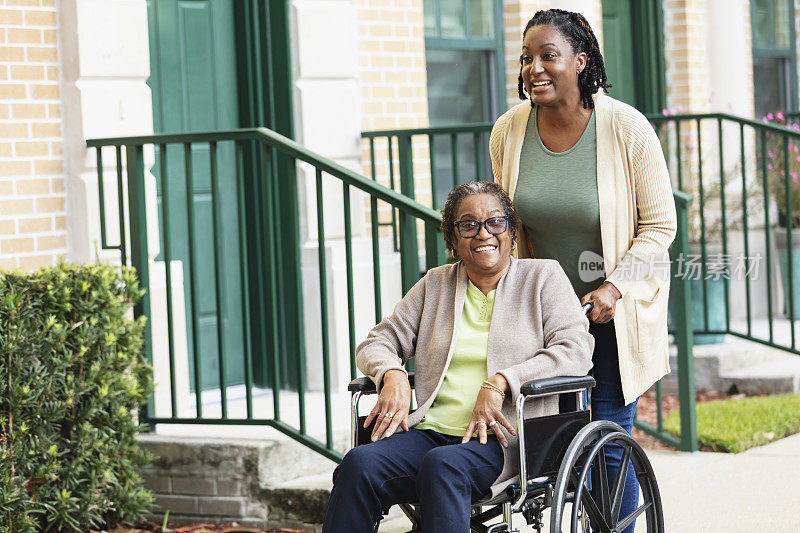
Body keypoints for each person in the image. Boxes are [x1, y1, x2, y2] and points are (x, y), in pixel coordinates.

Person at [489, 8, 677, 533]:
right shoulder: (509, 131)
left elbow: (660, 226)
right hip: (544, 319)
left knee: (607, 450)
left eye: (548, 55)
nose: (533, 68)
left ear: (581, 60)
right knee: (549, 453)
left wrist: (615, 286)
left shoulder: (625, 128)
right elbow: (504, 221)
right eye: (527, 57)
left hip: (611, 315)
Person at [322, 182, 594, 532]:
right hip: (432, 432)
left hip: (505, 440)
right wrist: (392, 374)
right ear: (452, 240)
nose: (484, 234)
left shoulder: (542, 277)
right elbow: (377, 342)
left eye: (495, 222)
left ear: (512, 230)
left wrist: (501, 382)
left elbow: (575, 350)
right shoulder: (435, 284)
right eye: (468, 225)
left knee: (443, 466)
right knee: (359, 464)